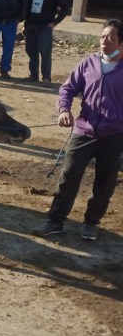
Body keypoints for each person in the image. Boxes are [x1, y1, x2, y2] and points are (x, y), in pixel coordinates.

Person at [33, 19, 123, 240]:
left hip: (114, 136)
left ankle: (91, 223)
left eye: (111, 38)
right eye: (102, 37)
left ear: (121, 43)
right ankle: (54, 221)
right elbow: (68, 88)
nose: (105, 42)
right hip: (83, 131)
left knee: (105, 183)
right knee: (68, 177)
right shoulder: (88, 63)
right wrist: (64, 110)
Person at [24, 0, 70, 84]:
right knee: (31, 51)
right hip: (31, 26)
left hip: (44, 27)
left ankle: (46, 78)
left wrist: (54, 23)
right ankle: (33, 75)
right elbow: (27, 8)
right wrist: (25, 23)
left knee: (45, 53)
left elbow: (65, 8)